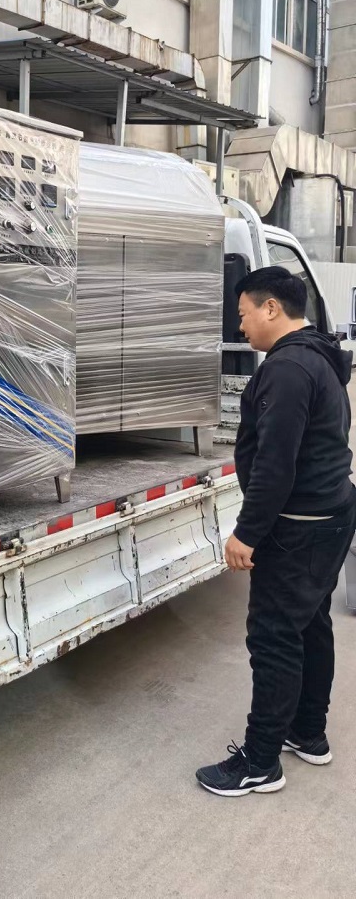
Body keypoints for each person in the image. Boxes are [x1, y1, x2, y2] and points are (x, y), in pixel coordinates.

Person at [196, 265, 356, 796]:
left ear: (271, 308)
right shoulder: (320, 355)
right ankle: (308, 732)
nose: (240, 326)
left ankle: (260, 762)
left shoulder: (288, 368)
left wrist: (247, 533)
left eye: (244, 314)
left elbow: (275, 464)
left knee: (273, 637)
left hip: (299, 525)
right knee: (310, 624)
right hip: (330, 513)